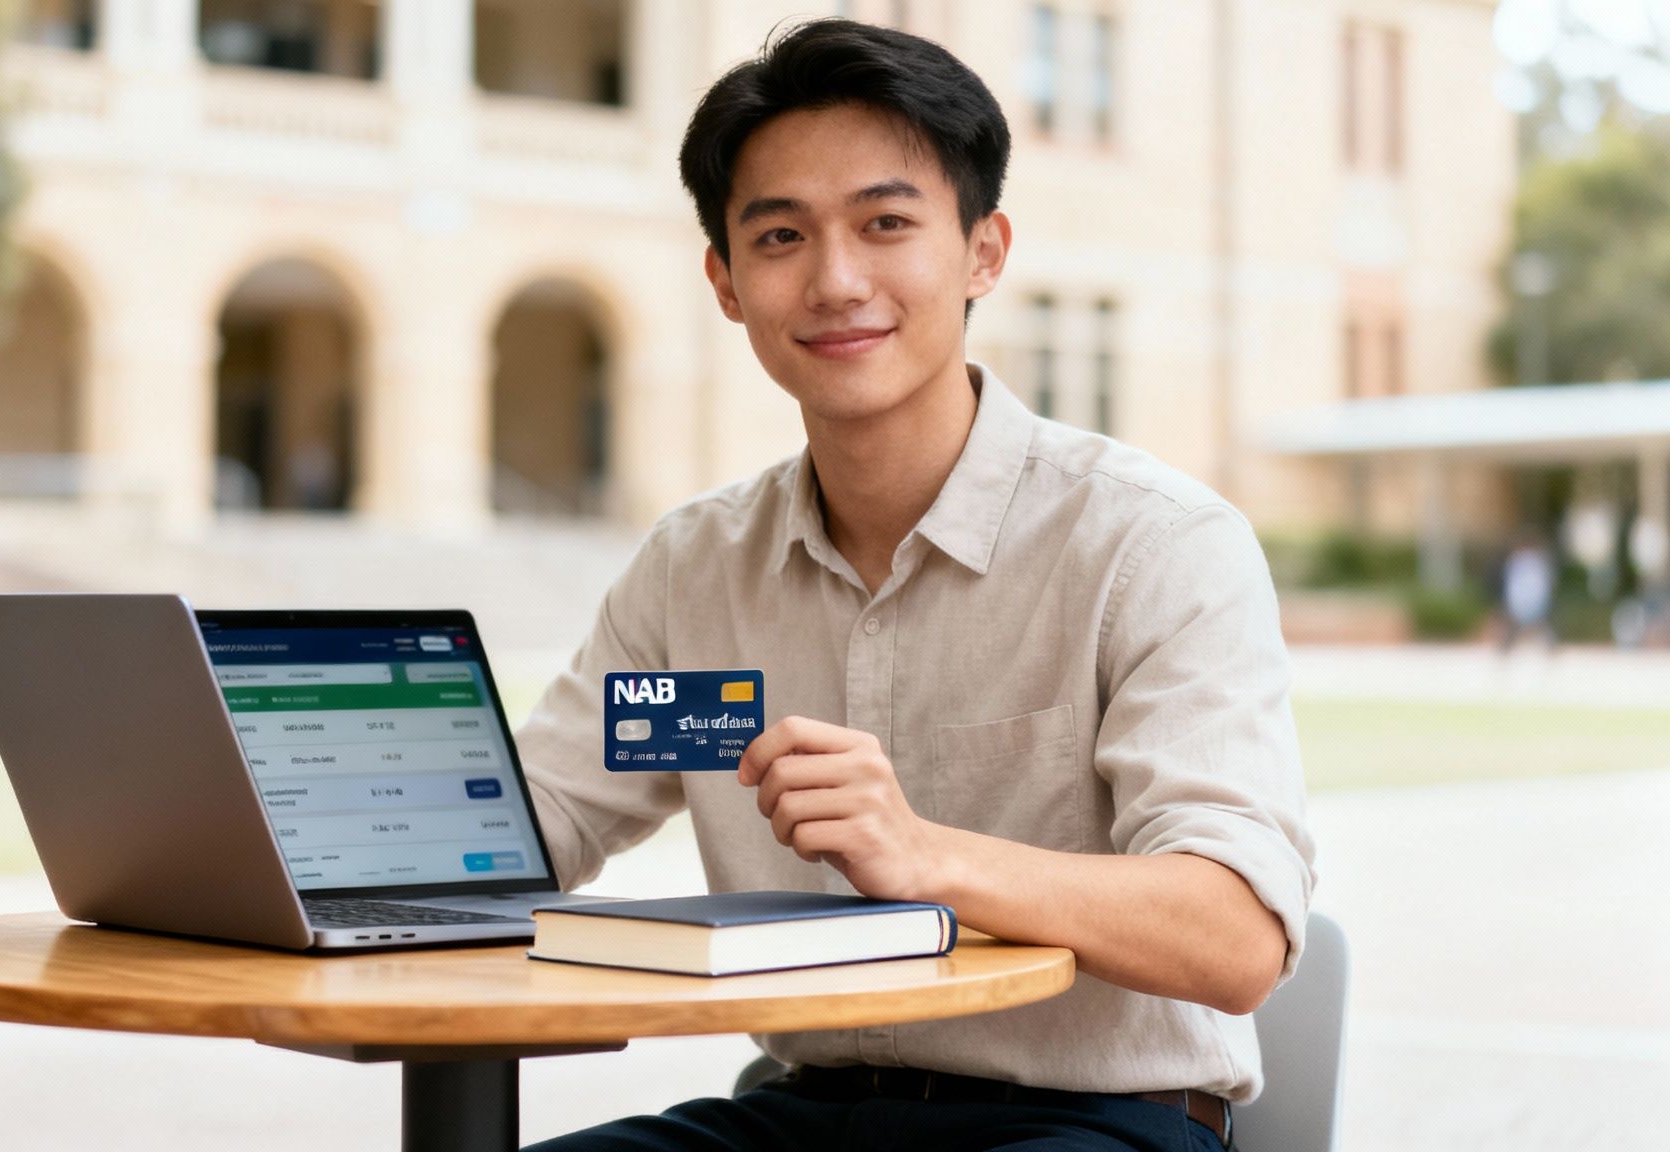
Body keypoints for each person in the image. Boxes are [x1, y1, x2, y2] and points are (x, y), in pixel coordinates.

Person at [516, 20, 1314, 1151]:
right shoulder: (695, 573)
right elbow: (531, 829)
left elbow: (1232, 937)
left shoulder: (1154, 544)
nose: (836, 281)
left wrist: (924, 853)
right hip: (794, 1119)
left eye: (885, 224)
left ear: (982, 252)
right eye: (780, 234)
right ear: (726, 282)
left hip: (1090, 1127)